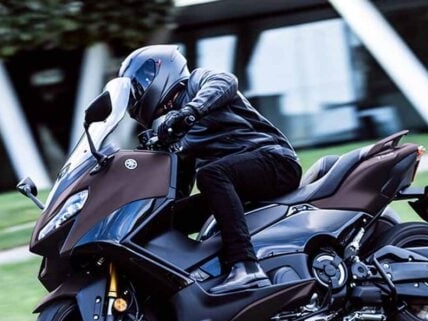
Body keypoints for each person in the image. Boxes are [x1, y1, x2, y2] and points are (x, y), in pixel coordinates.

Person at [119, 45, 302, 294]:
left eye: (140, 83)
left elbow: (226, 81)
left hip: (275, 162)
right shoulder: (172, 128)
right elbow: (179, 184)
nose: (136, 93)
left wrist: (190, 112)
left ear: (162, 70)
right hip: (232, 182)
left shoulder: (197, 82)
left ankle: (246, 267)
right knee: (165, 217)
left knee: (210, 175)